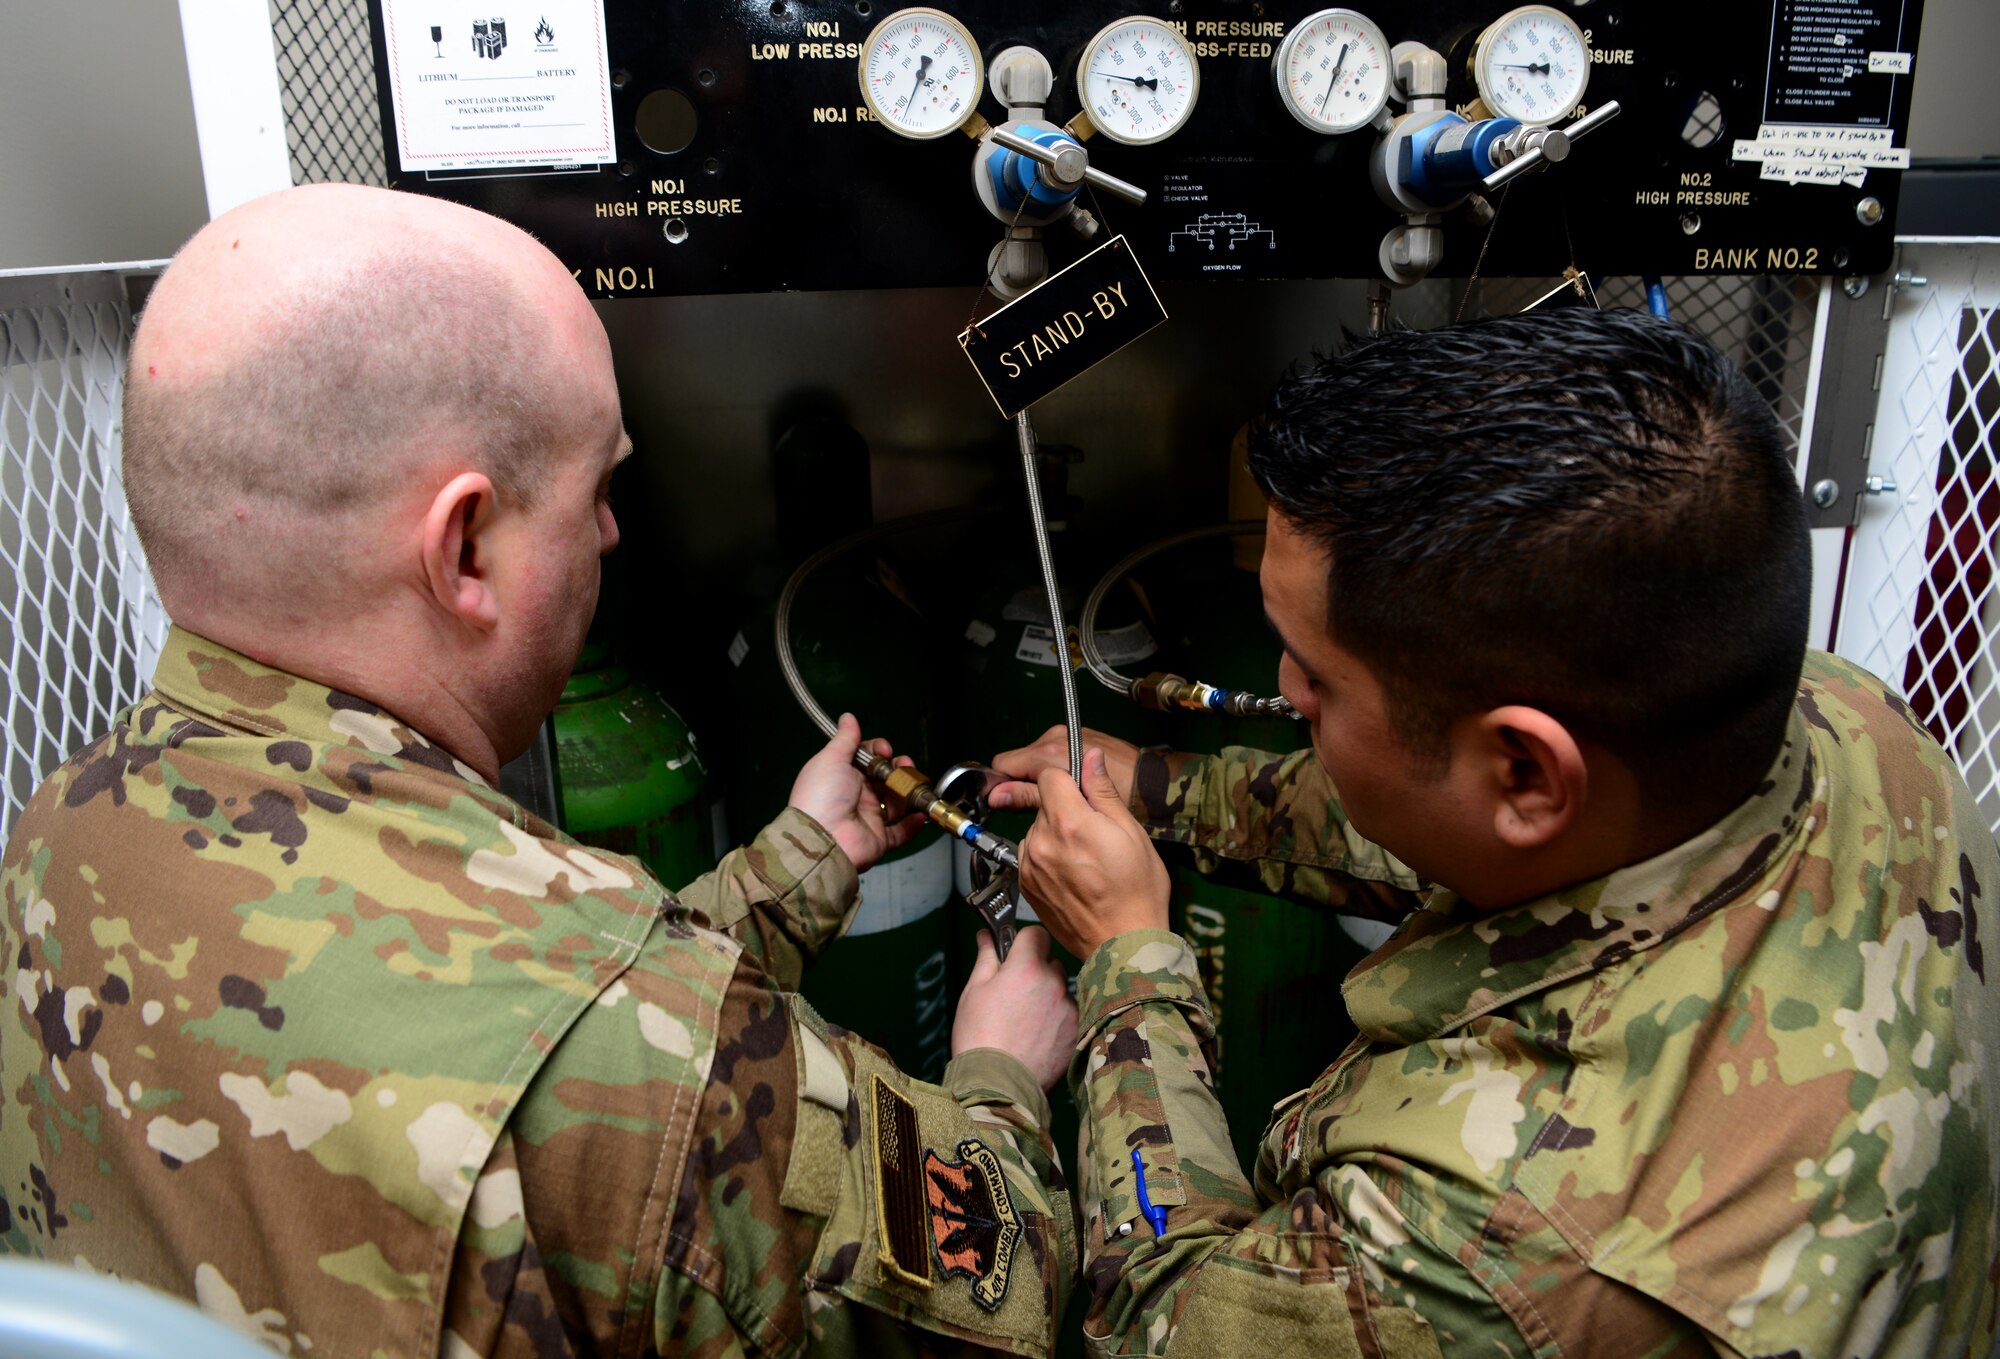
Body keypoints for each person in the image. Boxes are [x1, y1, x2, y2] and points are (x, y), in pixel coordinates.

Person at [0, 183, 1080, 1358]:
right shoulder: (664, 1061)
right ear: (464, 548)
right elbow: (998, 1289)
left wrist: (798, 864)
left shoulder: (57, 838)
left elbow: (509, 1007)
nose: (611, 534)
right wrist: (998, 1076)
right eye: (596, 491)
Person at [992, 308, 1999, 1358]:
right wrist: (1168, 793)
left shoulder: (1494, 1241)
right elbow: (1477, 823)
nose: (1284, 691)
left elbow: (1165, 1324)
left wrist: (1127, 961)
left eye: (1318, 681)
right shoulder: (1844, 719)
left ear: (1524, 769)